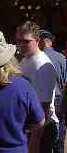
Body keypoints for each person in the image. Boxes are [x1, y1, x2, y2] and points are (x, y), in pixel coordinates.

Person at [18, 22, 58, 153]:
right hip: (28, 127)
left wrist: (35, 140)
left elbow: (43, 107)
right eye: (19, 41)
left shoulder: (43, 65)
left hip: (41, 130)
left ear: (37, 40)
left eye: (26, 41)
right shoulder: (25, 59)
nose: (21, 44)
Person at [39, 30, 67, 153]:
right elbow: (65, 81)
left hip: (42, 98)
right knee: (59, 128)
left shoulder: (37, 57)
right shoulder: (61, 57)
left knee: (43, 132)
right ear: (50, 42)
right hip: (58, 97)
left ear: (41, 41)